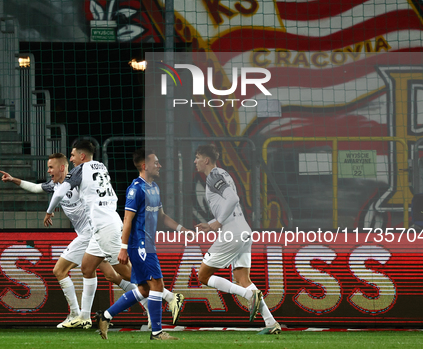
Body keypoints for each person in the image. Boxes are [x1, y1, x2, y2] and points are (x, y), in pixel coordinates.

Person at [44, 141, 182, 329]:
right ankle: (84, 317)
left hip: (104, 228)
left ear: (82, 156)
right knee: (87, 267)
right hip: (103, 225)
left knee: (128, 273)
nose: (72, 159)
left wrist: (49, 211)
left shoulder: (79, 170)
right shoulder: (101, 166)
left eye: (73, 155)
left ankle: (169, 297)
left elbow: (59, 192)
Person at [0, 153, 139, 329]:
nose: (48, 170)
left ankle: (76, 314)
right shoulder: (54, 184)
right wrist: (13, 180)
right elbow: (35, 188)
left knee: (60, 270)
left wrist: (49, 211)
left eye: (51, 167)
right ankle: (151, 304)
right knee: (111, 275)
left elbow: (75, 193)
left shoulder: (78, 182)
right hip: (93, 234)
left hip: (90, 233)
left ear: (62, 168)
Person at [96, 149, 187, 340]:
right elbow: (127, 220)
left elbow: (161, 216)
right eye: (156, 162)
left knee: (145, 289)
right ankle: (157, 332)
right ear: (145, 165)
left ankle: (105, 316)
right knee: (157, 285)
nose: (160, 165)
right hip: (140, 245)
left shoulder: (154, 187)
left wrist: (180, 229)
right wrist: (123, 247)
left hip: (148, 244)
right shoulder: (135, 189)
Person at [193, 144, 281, 335]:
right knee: (242, 278)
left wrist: (217, 222)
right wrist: (212, 223)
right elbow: (228, 202)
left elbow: (232, 199)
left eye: (197, 157)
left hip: (231, 232)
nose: (195, 161)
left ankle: (249, 295)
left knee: (203, 276)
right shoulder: (223, 174)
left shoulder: (213, 176)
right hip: (243, 230)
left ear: (206, 160)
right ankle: (270, 322)